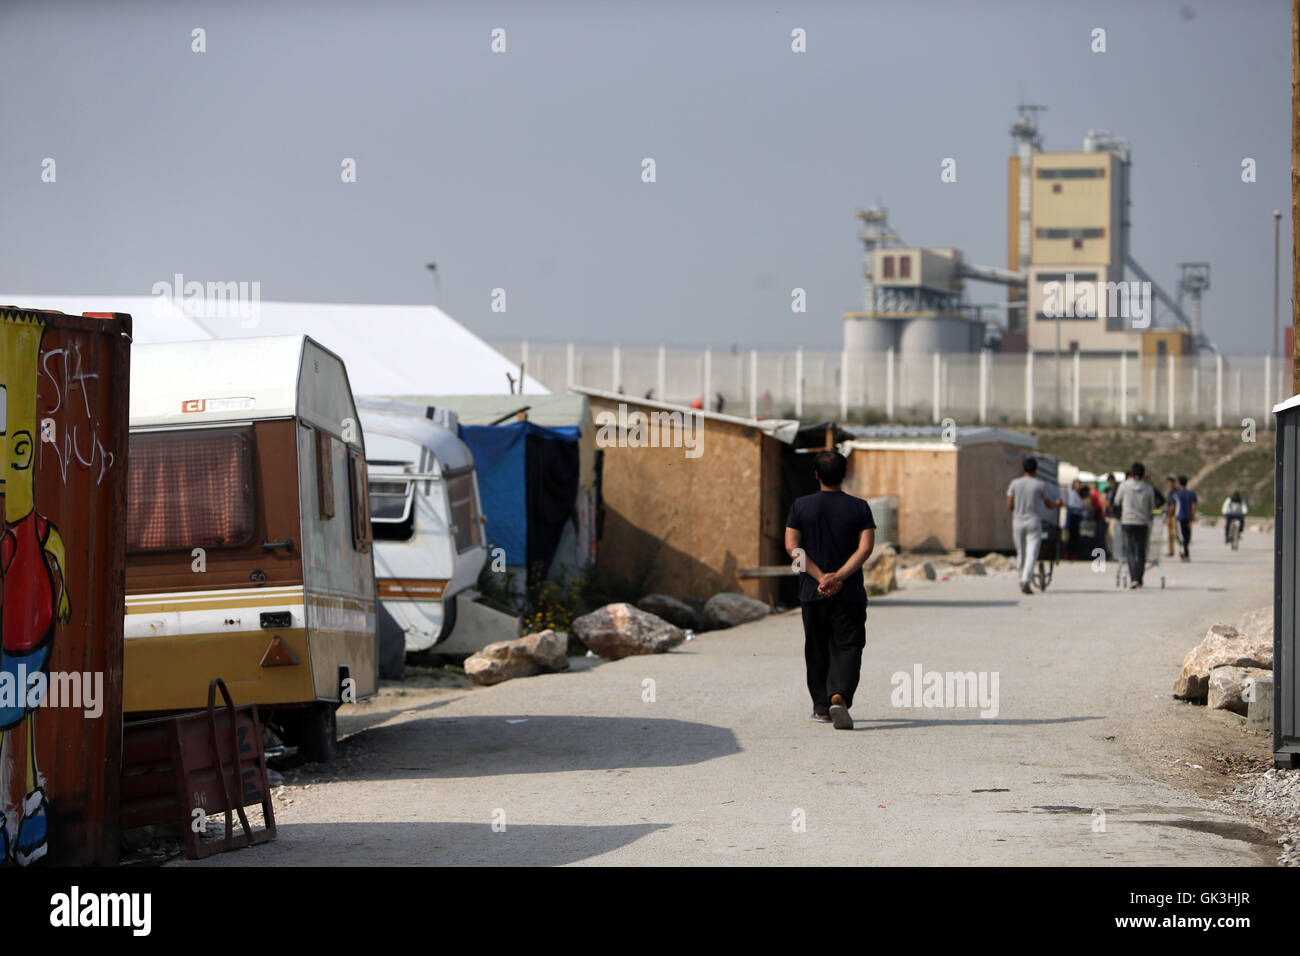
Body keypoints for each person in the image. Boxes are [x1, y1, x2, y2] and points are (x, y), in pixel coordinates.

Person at [785, 450, 876, 730]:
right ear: (844, 474)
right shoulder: (860, 507)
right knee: (848, 646)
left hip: (813, 594)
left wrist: (820, 577)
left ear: (816, 475)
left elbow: (792, 547)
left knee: (817, 649)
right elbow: (866, 548)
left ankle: (822, 709)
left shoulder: (800, 506)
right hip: (848, 595)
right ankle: (840, 696)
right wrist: (840, 577)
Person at [1006, 457, 1063, 596]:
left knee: (1021, 552)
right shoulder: (1040, 485)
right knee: (1032, 553)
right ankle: (1026, 580)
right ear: (1036, 470)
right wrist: (1057, 504)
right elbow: (1048, 505)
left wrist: (1019, 508)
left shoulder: (1015, 483)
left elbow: (1009, 505)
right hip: (1033, 521)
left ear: (1023, 468)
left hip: (1018, 521)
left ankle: (1021, 578)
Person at [1114, 462, 1156, 588]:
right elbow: (1152, 506)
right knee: (1141, 551)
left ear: (1131, 474)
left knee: (1130, 551)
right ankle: (1139, 577)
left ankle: (1133, 578)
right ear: (1143, 474)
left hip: (1127, 522)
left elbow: (1117, 501)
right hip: (1142, 523)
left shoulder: (1124, 486)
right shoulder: (1149, 488)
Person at [1169, 475, 1198, 561]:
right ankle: (1185, 553)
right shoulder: (1191, 494)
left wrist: (1169, 516)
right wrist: (1192, 518)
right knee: (1187, 536)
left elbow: (1172, 507)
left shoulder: (1176, 494)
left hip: (1179, 518)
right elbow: (1193, 506)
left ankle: (1183, 554)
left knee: (1181, 537)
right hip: (1188, 518)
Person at [1065, 479, 1084, 560]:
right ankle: (1071, 553)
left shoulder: (1077, 494)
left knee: (1075, 536)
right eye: (1077, 484)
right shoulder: (1073, 494)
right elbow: (1071, 504)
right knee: (1073, 536)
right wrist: (1081, 507)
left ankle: (1074, 553)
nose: (1079, 486)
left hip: (1076, 516)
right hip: (1073, 516)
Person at [1163, 476, 1178, 557]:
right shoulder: (1169, 492)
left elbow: (1172, 505)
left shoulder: (1175, 492)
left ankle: (1181, 548)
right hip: (1170, 514)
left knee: (1174, 533)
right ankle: (1171, 550)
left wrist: (1168, 515)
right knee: (1170, 534)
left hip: (1174, 515)